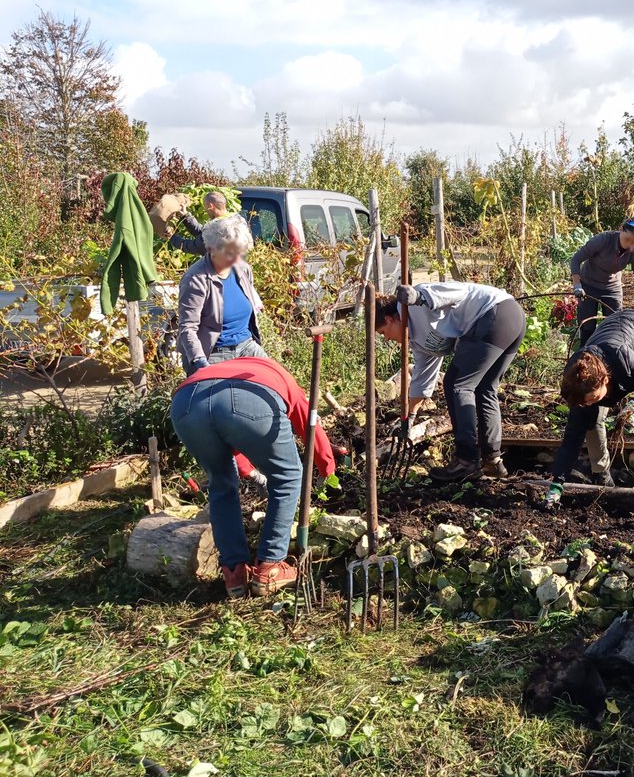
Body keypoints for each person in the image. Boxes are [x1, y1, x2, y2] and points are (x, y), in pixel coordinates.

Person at [170, 357, 336, 598]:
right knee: (287, 475)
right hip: (250, 398)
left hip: (186, 403)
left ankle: (234, 573)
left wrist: (247, 469)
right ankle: (271, 566)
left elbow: (228, 434)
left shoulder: (233, 367)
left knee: (221, 484)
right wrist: (327, 468)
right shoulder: (282, 377)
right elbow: (308, 424)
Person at [376, 281, 527, 483]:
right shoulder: (417, 341)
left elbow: (460, 291)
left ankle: (466, 460)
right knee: (484, 388)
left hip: (495, 313)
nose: (386, 339)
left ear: (389, 318)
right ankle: (493, 460)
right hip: (505, 322)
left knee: (457, 384)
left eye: (383, 332)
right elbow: (422, 379)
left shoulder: (416, 300)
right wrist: (409, 417)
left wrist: (419, 298)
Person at [545, 308, 634, 505]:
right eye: (586, 399)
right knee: (589, 416)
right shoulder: (575, 380)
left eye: (592, 397)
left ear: (605, 380)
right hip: (614, 341)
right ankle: (601, 474)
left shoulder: (625, 356)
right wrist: (557, 482)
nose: (590, 401)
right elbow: (573, 435)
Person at [176, 215, 268, 376]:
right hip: (213, 354)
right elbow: (187, 328)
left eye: (241, 252)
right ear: (212, 248)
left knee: (278, 383)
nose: (237, 258)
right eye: (231, 253)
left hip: (247, 346)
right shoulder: (195, 279)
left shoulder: (242, 270)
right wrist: (199, 362)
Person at [569, 217, 634, 346]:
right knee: (588, 328)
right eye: (627, 239)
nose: (629, 244)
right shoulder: (603, 240)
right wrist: (577, 285)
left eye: (633, 241)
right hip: (589, 285)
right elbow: (576, 259)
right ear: (621, 230)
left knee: (613, 329)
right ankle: (584, 356)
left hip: (612, 288)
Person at [170, 190, 229, 256]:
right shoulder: (234, 218)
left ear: (210, 206)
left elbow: (194, 246)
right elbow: (203, 232)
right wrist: (186, 216)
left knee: (195, 267)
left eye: (205, 206)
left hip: (223, 264)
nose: (205, 210)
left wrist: (172, 237)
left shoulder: (218, 228)